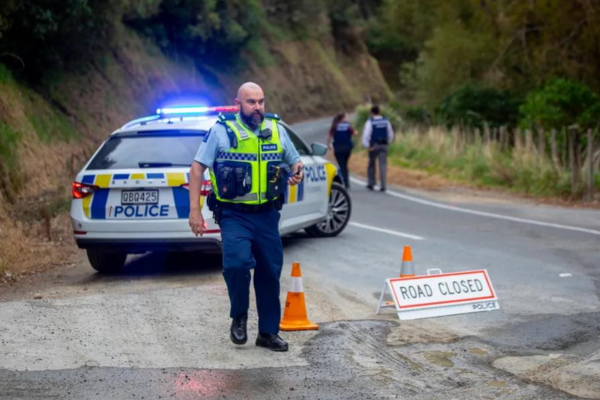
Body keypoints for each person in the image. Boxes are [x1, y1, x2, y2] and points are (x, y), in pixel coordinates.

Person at [188, 82, 304, 352]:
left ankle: (267, 333)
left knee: (270, 272)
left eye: (261, 101)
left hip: (267, 215)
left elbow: (294, 160)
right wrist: (194, 211)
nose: (258, 107)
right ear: (238, 104)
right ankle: (239, 316)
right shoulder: (221, 131)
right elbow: (196, 170)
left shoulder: (276, 129)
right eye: (251, 102)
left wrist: (297, 170)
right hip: (234, 214)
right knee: (238, 265)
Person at [362, 105, 394, 192]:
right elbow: (390, 133)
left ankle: (371, 183)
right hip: (384, 145)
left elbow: (366, 135)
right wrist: (388, 142)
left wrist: (367, 145)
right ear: (379, 112)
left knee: (371, 164)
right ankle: (383, 185)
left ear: (372, 113)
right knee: (383, 165)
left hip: (374, 145)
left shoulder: (370, 122)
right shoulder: (386, 121)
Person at [327, 112, 357, 189]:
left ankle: (344, 182)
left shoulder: (335, 126)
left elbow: (328, 137)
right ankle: (346, 182)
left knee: (342, 165)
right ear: (343, 118)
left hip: (338, 149)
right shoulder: (348, 125)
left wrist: (330, 146)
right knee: (344, 165)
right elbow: (355, 133)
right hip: (347, 148)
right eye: (346, 117)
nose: (347, 118)